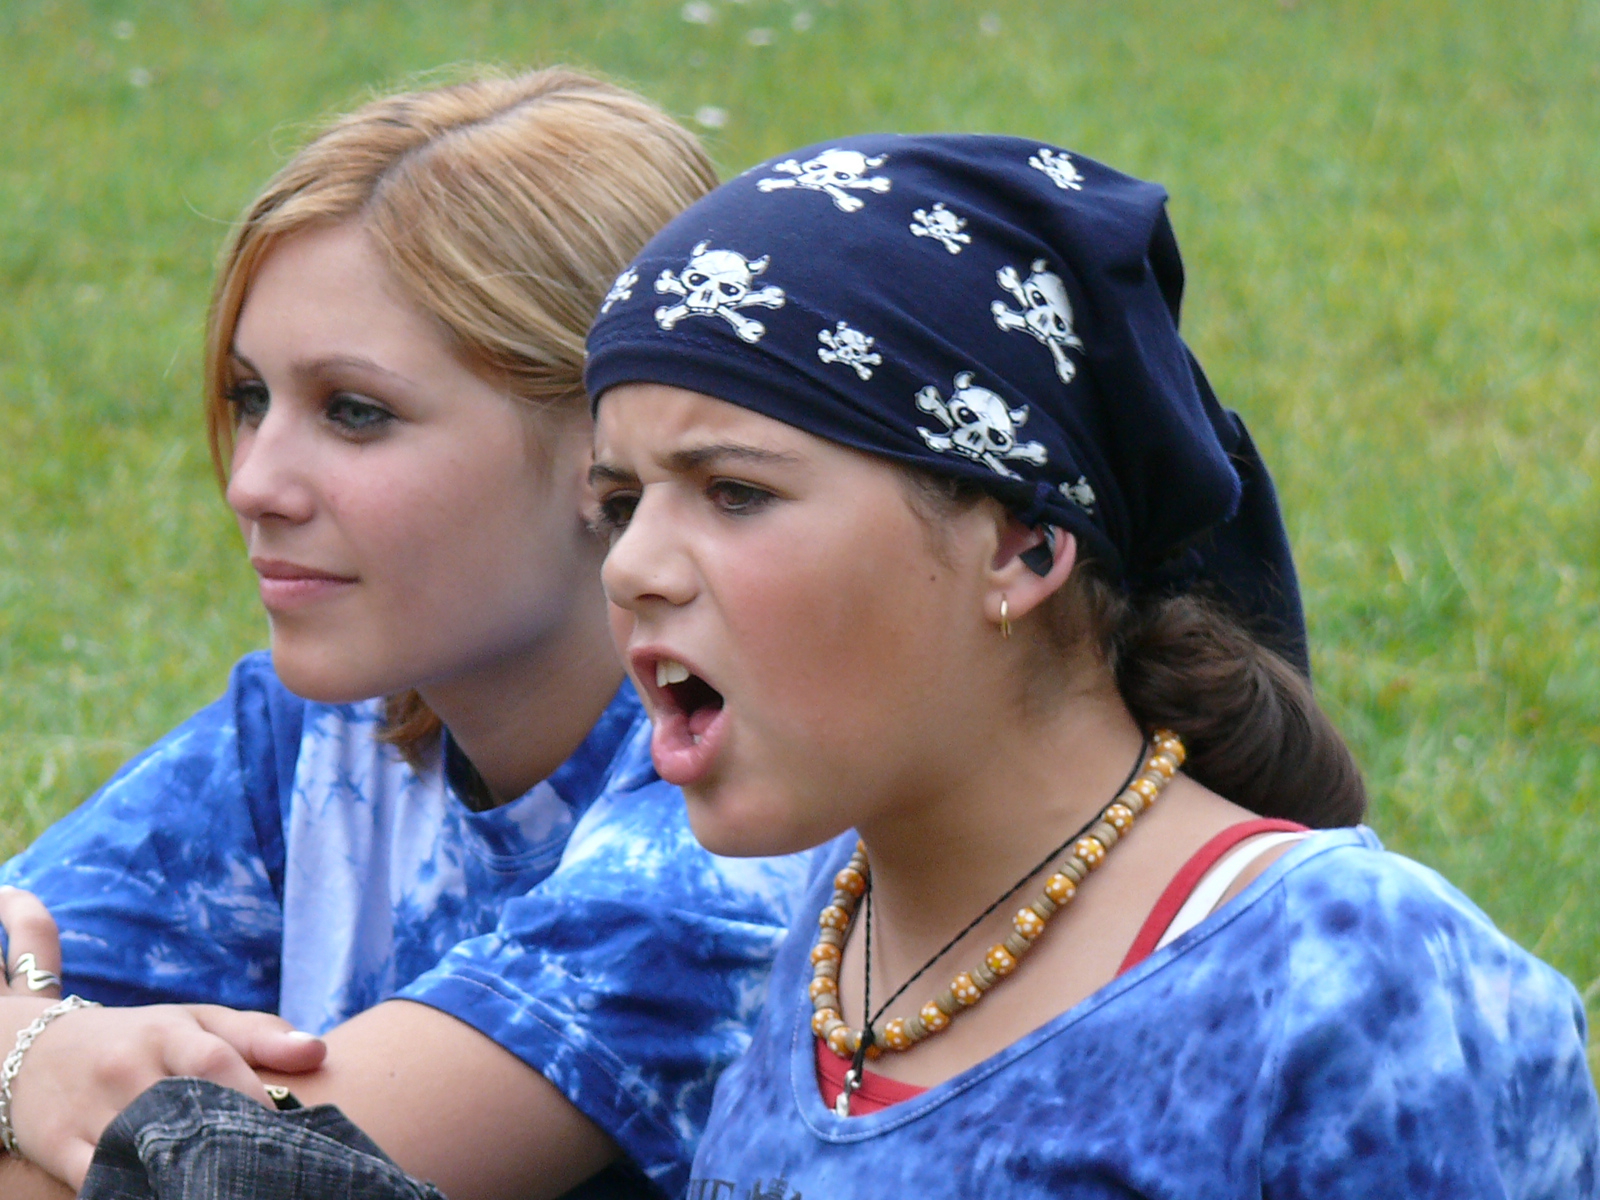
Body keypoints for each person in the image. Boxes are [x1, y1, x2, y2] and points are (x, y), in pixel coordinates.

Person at [582, 134, 1600, 1197]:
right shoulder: (830, 921)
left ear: (1023, 544)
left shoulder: (1351, 987)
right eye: (620, 504)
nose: (631, 566)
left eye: (736, 492)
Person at [0, 69, 811, 1200]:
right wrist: (37, 1054)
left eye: (354, 412)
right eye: (250, 398)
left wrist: (30, 1053)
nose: (253, 483)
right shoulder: (310, 738)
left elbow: (258, 1174)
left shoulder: (750, 807)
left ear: (610, 448)